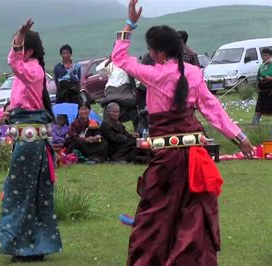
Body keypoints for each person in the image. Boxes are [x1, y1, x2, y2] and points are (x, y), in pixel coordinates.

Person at [111, 1, 254, 264]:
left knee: (156, 213)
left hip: (166, 157)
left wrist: (129, 24)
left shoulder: (153, 74)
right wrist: (239, 136)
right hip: (194, 154)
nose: (150, 53)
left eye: (151, 49)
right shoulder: (194, 73)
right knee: (192, 214)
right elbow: (213, 109)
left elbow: (119, 59)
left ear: (160, 52)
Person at [0, 19, 62, 262]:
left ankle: (23, 245)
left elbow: (12, 61)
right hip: (27, 137)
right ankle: (33, 245)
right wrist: (10, 112)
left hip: (30, 141)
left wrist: (19, 38)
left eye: (21, 46)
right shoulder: (29, 73)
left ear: (29, 50)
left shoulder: (32, 69)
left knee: (19, 191)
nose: (16, 50)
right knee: (31, 191)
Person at [96, 56, 139, 130]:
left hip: (125, 90)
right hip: (112, 90)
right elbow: (99, 70)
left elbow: (136, 73)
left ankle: (137, 130)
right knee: (110, 105)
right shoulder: (111, 63)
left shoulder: (129, 61)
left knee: (132, 104)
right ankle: (107, 129)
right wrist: (109, 61)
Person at [252, 48, 272, 125]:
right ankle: (255, 125)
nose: (264, 57)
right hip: (263, 91)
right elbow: (258, 77)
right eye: (263, 55)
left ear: (270, 56)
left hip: (271, 90)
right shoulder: (261, 66)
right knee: (258, 110)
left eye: (266, 55)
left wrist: (270, 78)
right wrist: (257, 85)